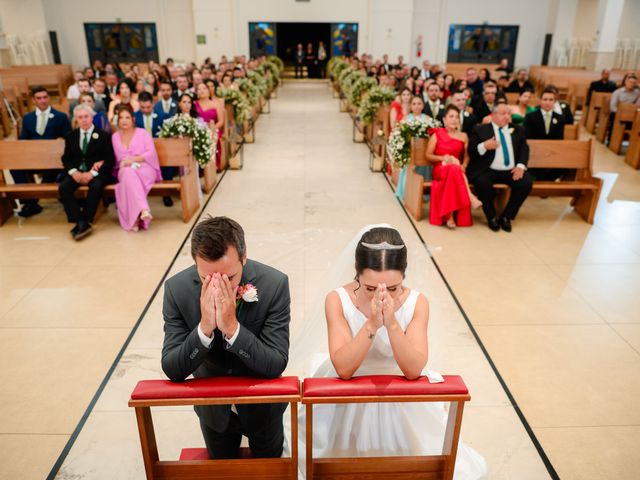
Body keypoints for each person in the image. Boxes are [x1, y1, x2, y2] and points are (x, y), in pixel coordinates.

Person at [288, 225, 487, 479]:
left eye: (393, 288)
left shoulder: (417, 303)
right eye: (370, 288)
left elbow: (414, 369)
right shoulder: (337, 300)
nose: (381, 295)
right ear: (357, 274)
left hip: (401, 387)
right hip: (348, 391)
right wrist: (371, 323)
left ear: (404, 276)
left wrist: (392, 323)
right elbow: (344, 369)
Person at [162, 216, 291, 460]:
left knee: (270, 467)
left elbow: (275, 362)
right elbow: (172, 368)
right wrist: (204, 329)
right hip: (213, 411)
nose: (217, 288)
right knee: (222, 468)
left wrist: (233, 328)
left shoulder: (274, 284)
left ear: (244, 258)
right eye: (206, 279)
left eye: (229, 279)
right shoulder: (176, 290)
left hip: (264, 408)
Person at [468, 102, 532, 232]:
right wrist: (484, 146)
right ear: (493, 115)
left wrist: (520, 166)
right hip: (488, 169)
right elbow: (472, 150)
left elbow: (524, 149)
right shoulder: (480, 129)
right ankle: (491, 217)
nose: (507, 117)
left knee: (525, 183)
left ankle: (507, 216)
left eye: (509, 113)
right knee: (482, 183)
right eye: (503, 113)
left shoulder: (518, 130)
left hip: (510, 170)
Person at [12, 86, 71, 218]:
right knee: (15, 169)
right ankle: (28, 201)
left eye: (45, 97)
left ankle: (35, 200)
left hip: (53, 157)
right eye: (39, 98)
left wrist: (58, 142)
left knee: (53, 169)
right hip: (33, 157)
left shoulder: (60, 117)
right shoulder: (27, 118)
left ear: (48, 98)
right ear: (34, 100)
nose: (43, 101)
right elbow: (23, 140)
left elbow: (69, 138)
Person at [58, 104, 114, 240]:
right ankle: (79, 220)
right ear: (76, 119)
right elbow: (66, 158)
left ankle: (86, 219)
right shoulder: (71, 136)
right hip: (77, 172)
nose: (84, 120)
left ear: (92, 117)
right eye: (80, 117)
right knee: (64, 187)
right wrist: (73, 172)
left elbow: (109, 159)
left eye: (86, 116)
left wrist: (92, 174)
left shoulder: (103, 135)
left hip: (97, 173)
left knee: (96, 186)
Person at [426, 105, 481, 228]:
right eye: (451, 116)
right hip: (440, 168)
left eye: (456, 117)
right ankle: (467, 199)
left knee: (454, 169)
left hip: (456, 169)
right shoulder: (437, 134)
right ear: (444, 120)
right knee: (453, 169)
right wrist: (443, 158)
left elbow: (467, 156)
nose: (454, 119)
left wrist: (464, 165)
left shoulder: (463, 136)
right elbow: (428, 155)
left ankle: (450, 215)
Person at [111, 104, 162, 232]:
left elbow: (150, 153)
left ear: (133, 119)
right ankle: (143, 209)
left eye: (127, 117)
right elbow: (117, 159)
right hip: (124, 168)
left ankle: (134, 219)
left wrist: (133, 159)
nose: (124, 120)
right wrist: (126, 162)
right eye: (121, 118)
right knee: (127, 173)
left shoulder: (143, 133)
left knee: (129, 177)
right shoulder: (115, 137)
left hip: (144, 167)